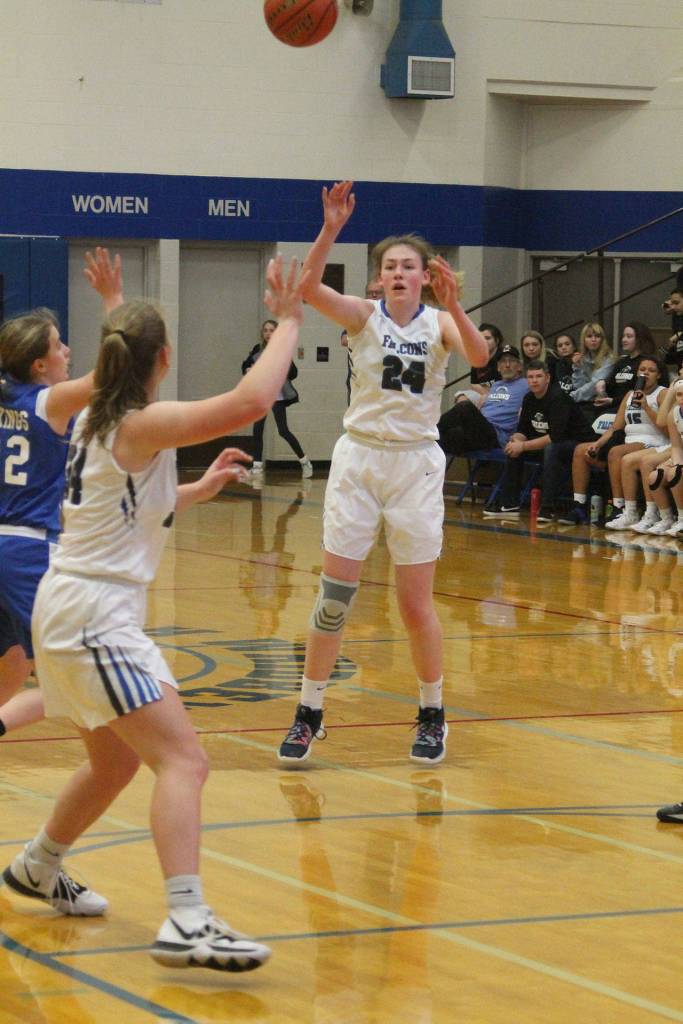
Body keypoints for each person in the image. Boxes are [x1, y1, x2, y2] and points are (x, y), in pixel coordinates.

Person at [2, 254, 308, 974]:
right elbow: (249, 401)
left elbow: (135, 503)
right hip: (92, 614)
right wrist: (290, 321)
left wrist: (198, 487)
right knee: (183, 760)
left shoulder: (90, 420)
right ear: (163, 359)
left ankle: (37, 867)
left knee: (112, 763)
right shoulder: (140, 421)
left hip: (71, 606)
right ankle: (187, 918)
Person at [276, 180, 488, 766]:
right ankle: (309, 711)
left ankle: (431, 712)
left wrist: (458, 304)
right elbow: (310, 288)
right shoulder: (364, 317)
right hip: (361, 460)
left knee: (415, 603)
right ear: (378, 279)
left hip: (415, 465)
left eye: (408, 266)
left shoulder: (442, 323)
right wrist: (330, 229)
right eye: (389, 266)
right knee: (335, 597)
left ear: (426, 276)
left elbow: (478, 358)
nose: (398, 273)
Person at [0, 248, 123, 739]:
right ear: (39, 364)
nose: (68, 350)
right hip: (30, 549)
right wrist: (113, 299)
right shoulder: (46, 403)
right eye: (59, 345)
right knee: (74, 669)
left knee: (14, 659)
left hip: (3, 545)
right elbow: (116, 372)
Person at [482, 359, 594, 521]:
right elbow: (523, 430)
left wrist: (524, 446)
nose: (534, 380)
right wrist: (517, 440)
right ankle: (510, 502)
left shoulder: (558, 398)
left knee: (550, 449)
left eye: (538, 376)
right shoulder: (528, 399)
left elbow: (555, 436)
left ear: (547, 378)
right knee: (514, 448)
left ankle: (548, 507)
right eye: (531, 377)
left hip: (577, 443)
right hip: (550, 443)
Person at [562, 356, 668, 526]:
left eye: (651, 370)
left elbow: (666, 427)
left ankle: (620, 508)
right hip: (628, 442)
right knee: (581, 450)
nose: (646, 373)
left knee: (616, 452)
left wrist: (646, 407)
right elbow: (615, 428)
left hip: (654, 442)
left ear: (659, 375)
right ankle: (579, 505)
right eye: (642, 370)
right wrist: (597, 444)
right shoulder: (629, 395)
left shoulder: (662, 393)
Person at [241, 319, 312, 480]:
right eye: (265, 330)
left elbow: (294, 373)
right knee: (257, 430)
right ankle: (257, 467)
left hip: (277, 396)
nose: (268, 333)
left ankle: (305, 461)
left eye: (271, 330)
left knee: (283, 431)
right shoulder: (257, 350)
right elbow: (245, 365)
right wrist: (248, 368)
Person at [437, 344, 527, 455]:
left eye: (512, 361)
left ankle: (430, 431)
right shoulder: (495, 385)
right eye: (503, 361)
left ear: (519, 366)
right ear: (498, 367)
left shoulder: (526, 385)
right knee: (450, 435)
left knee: (465, 406)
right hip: (478, 430)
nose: (507, 365)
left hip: (496, 435)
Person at [593, 321, 657, 413]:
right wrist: (603, 385)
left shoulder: (647, 363)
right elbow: (612, 386)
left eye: (629, 336)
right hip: (613, 405)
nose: (624, 340)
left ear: (639, 339)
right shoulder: (621, 362)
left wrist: (613, 401)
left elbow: (642, 392)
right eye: (623, 336)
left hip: (633, 408)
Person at [569, 322, 614, 404]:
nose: (593, 340)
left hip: (603, 402)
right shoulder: (583, 358)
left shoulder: (609, 358)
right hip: (585, 402)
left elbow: (594, 385)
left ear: (602, 340)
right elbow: (578, 387)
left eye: (597, 336)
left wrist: (571, 397)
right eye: (589, 336)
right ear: (584, 340)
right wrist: (577, 367)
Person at [468, 322, 504, 394]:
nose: (483, 341)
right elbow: (473, 385)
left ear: (497, 340)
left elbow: (506, 385)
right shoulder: (477, 359)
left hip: (502, 395)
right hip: (482, 394)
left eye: (487, 338)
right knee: (461, 397)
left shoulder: (504, 357)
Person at [660, 287, 683, 372]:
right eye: (672, 303)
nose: (673, 307)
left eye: (676, 303)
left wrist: (679, 335)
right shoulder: (678, 316)